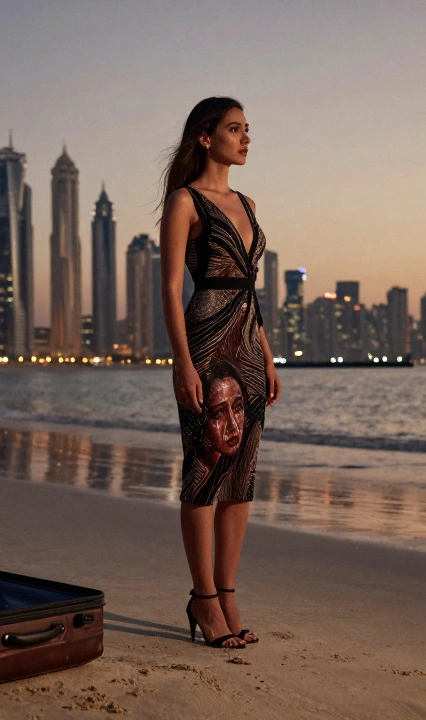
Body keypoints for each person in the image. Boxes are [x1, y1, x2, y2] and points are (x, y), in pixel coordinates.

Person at [158, 96, 281, 649]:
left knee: (242, 476)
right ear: (205, 137)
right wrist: (182, 363)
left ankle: (228, 593)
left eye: (248, 129)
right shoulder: (184, 201)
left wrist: (268, 354)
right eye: (235, 129)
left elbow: (250, 289)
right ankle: (203, 598)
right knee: (205, 470)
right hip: (206, 343)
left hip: (248, 344)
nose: (246, 138)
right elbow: (169, 289)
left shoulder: (248, 203)